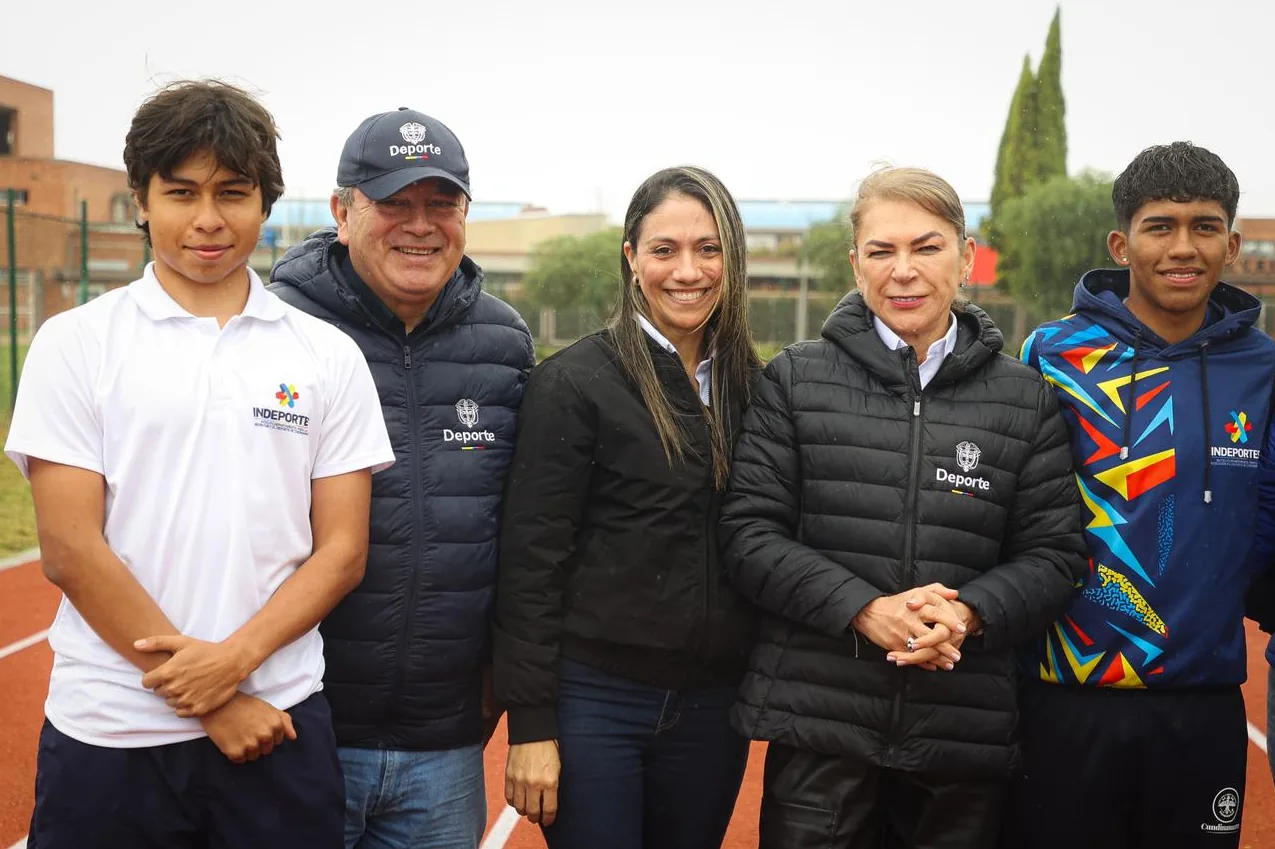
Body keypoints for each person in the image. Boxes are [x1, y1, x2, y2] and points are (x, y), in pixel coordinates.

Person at [7, 80, 394, 849]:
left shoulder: (325, 356)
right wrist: (214, 701)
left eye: (233, 193)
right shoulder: (76, 343)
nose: (208, 219)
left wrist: (236, 667)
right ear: (142, 201)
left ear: (266, 203)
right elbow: (71, 550)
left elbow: (342, 551)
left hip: (277, 718)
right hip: (111, 728)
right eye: (181, 192)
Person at [720, 166, 1087, 849]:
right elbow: (747, 536)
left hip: (961, 739)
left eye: (925, 247)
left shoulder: (1023, 397)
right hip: (821, 735)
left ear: (965, 257)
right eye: (882, 251)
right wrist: (866, 610)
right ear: (855, 263)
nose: (904, 271)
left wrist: (967, 613)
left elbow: (1055, 555)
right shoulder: (795, 378)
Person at [269, 107, 535, 849]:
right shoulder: (274, 330)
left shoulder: (507, 342)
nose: (419, 225)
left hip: (445, 748)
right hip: (295, 726)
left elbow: (525, 532)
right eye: (394, 203)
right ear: (341, 211)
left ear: (465, 215)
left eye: (440, 204)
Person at [1011, 141, 1275, 848]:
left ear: (1233, 242)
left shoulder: (1263, 367)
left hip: (1203, 698)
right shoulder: (1051, 354)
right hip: (1063, 695)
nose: (1182, 247)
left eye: (1204, 225)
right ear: (1121, 243)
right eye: (1160, 226)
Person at [493, 166, 761, 849]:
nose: (687, 270)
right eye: (664, 249)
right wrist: (531, 724)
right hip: (596, 702)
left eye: (708, 249)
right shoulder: (576, 382)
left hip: (711, 709)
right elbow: (531, 562)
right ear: (630, 258)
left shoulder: (757, 389)